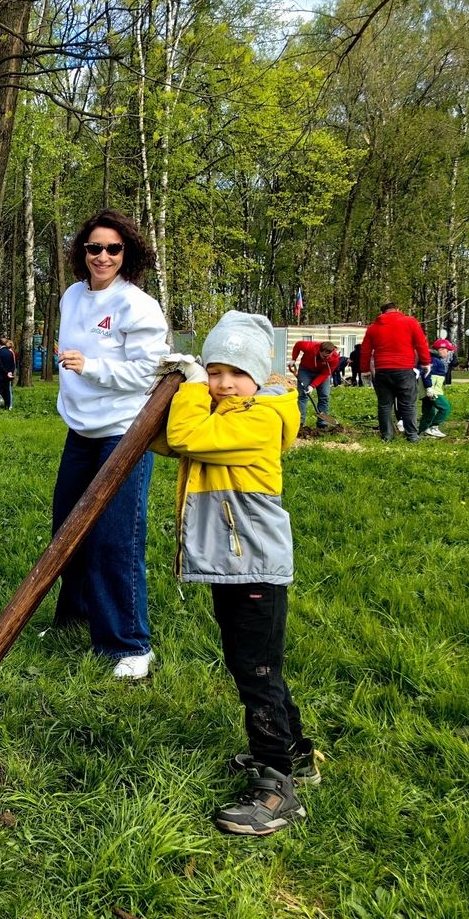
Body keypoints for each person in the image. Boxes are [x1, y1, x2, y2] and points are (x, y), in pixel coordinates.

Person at [156, 311, 317, 837]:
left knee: (257, 674)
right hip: (235, 563)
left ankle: (277, 789)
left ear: (260, 374)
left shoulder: (259, 419)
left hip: (253, 567)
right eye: (215, 370)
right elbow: (171, 439)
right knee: (255, 664)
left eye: (234, 373)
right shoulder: (231, 415)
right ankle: (298, 757)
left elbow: (182, 433)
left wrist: (193, 387)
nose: (223, 383)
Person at [51, 208, 169, 678]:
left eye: (113, 249)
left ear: (127, 253)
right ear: (83, 251)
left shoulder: (137, 306)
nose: (103, 256)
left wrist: (92, 368)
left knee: (114, 539)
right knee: (67, 529)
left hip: (123, 432)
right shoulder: (72, 297)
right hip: (80, 430)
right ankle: (76, 615)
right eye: (94, 247)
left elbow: (151, 374)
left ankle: (130, 645)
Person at [360, 302, 430, 442]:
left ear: (383, 312)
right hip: (404, 368)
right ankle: (412, 436)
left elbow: (365, 350)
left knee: (385, 405)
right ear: (398, 309)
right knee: (408, 404)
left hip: (382, 369)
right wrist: (426, 362)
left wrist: (365, 370)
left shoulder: (373, 328)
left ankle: (387, 436)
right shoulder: (410, 322)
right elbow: (420, 343)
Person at [289, 340, 339, 429]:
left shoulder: (334, 359)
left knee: (324, 396)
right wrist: (293, 358)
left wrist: (312, 385)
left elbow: (325, 374)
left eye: (328, 356)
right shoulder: (309, 347)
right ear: (319, 351)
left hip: (322, 373)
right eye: (323, 356)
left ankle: (322, 424)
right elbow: (297, 345)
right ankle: (300, 423)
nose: (325, 358)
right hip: (306, 370)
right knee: (302, 395)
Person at [419, 344, 452, 438]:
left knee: (429, 412)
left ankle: (421, 432)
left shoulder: (432, 359)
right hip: (432, 391)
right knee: (445, 407)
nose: (448, 353)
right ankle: (433, 427)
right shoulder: (434, 360)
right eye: (448, 350)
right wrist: (429, 387)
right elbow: (427, 373)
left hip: (427, 390)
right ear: (440, 349)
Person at [0, 335, 16, 411]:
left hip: (0, 376)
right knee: (7, 391)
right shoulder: (10, 353)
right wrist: (10, 373)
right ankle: (7, 405)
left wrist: (6, 372)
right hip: (8, 376)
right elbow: (13, 364)